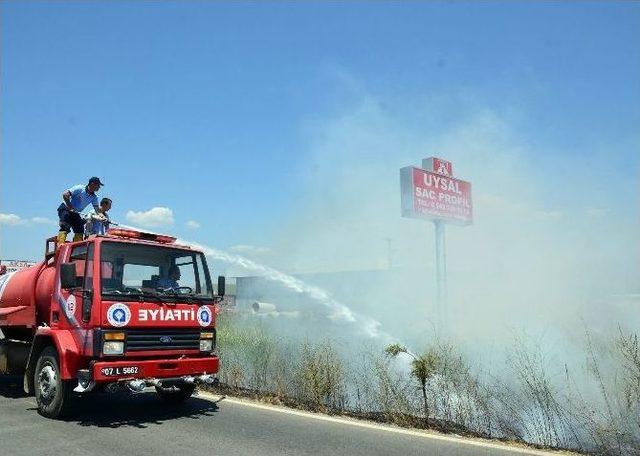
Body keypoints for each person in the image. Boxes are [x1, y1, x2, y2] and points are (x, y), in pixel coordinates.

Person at [56, 177, 104, 244]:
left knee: (80, 228)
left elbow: (97, 210)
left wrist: (102, 217)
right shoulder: (80, 188)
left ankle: (77, 247)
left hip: (75, 212)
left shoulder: (94, 197)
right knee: (65, 225)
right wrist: (70, 207)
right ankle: (60, 245)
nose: (99, 187)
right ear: (92, 184)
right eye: (98, 185)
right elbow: (65, 194)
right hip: (65, 208)